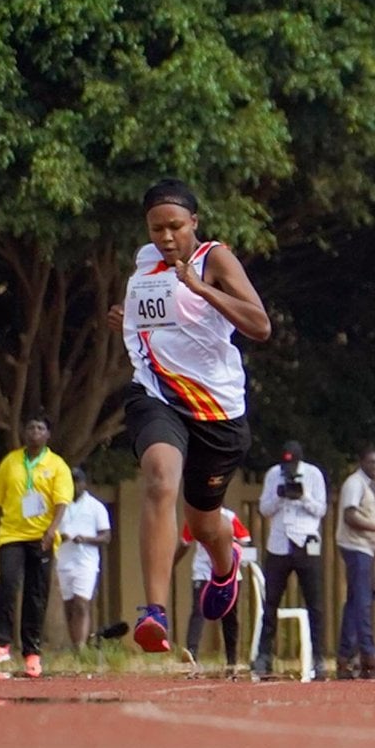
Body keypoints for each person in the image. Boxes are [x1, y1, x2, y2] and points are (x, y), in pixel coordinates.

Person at [109, 179, 271, 655]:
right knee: (160, 479)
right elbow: (157, 322)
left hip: (217, 410)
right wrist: (125, 320)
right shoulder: (144, 262)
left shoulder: (214, 259)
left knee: (203, 524)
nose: (166, 237)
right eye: (156, 228)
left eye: (175, 226)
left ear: (194, 222)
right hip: (156, 394)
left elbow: (260, 325)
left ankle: (224, 564)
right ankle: (154, 612)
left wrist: (201, 288)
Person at [0, 414, 74, 678]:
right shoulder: (11, 462)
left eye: (40, 428)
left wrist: (51, 530)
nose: (35, 432)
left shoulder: (57, 465)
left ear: (48, 435)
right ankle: (1, 643)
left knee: (35, 594)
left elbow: (62, 502)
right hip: (12, 534)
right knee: (7, 584)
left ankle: (32, 653)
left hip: (42, 537)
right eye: (30, 427)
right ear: (23, 432)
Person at [253, 441, 328, 680]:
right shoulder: (273, 474)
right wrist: (280, 497)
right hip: (279, 543)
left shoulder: (313, 474)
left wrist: (303, 496)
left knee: (315, 603)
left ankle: (318, 656)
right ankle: (264, 654)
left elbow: (321, 509)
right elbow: (264, 508)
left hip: (306, 542)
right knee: (271, 602)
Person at [335, 447, 375, 679]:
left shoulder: (370, 487)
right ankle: (368, 652)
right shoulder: (355, 483)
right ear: (361, 462)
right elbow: (350, 516)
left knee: (355, 601)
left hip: (366, 548)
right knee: (362, 600)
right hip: (355, 546)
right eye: (371, 463)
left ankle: (345, 653)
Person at [179, 507, 254, 674]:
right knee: (198, 611)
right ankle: (191, 653)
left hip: (228, 572)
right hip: (203, 571)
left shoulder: (230, 517)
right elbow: (185, 543)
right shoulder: (194, 516)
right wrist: (172, 563)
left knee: (229, 615)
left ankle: (231, 659)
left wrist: (231, 546)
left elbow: (245, 540)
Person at [53, 467, 112, 659]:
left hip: (86, 561)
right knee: (69, 606)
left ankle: (81, 647)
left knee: (81, 603)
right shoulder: (60, 506)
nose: (74, 485)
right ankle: (75, 645)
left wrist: (85, 539)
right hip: (64, 560)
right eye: (70, 482)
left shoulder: (95, 507)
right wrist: (60, 537)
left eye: (77, 481)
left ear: (84, 483)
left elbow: (106, 536)